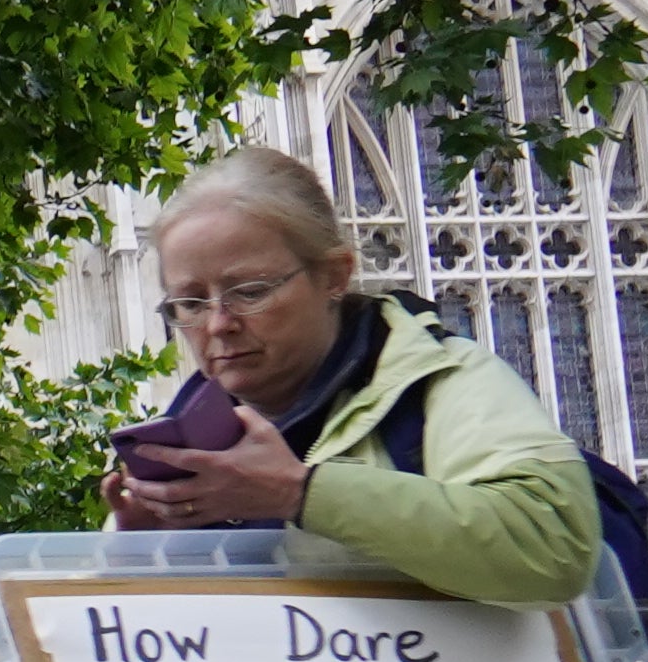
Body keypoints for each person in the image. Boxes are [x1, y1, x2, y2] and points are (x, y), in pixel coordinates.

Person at [107, 145, 605, 604]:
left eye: (251, 291)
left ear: (334, 275)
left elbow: (553, 546)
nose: (218, 324)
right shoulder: (179, 443)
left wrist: (300, 494)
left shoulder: (444, 380)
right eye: (190, 302)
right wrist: (142, 551)